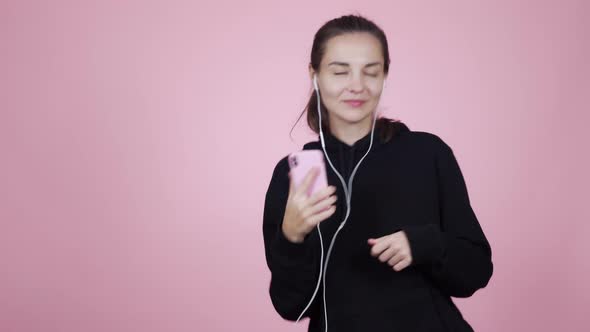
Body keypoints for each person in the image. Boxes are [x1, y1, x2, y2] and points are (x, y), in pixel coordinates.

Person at [262, 14, 493, 332]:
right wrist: (291, 236)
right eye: (340, 71)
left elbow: (476, 270)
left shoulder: (427, 154)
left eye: (371, 71)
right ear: (314, 75)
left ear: (384, 75)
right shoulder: (296, 175)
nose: (357, 85)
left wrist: (423, 244)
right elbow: (292, 306)